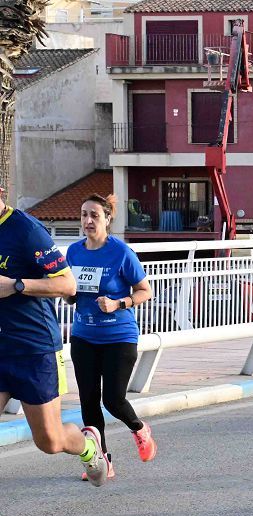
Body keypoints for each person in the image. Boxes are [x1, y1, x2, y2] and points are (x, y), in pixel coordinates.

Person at [0, 184, 108, 516]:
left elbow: (67, 284)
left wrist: (15, 285)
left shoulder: (26, 230)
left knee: (49, 442)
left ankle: (87, 445)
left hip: (33, 350)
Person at [66, 194, 157, 481]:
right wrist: (66, 294)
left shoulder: (121, 252)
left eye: (94, 215)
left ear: (107, 219)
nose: (88, 221)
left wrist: (118, 303)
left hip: (119, 336)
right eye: (83, 215)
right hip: (84, 335)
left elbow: (146, 290)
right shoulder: (73, 252)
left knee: (113, 400)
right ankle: (102, 460)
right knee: (88, 401)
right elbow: (72, 294)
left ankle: (139, 428)